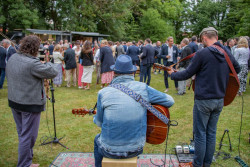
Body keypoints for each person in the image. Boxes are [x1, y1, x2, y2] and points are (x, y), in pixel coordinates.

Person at [168, 27, 240, 167]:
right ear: (216, 36)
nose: (202, 41)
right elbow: (236, 69)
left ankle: (197, 164)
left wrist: (172, 74)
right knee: (211, 133)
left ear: (205, 37)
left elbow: (187, 73)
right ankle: (206, 163)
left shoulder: (203, 53)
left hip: (204, 100)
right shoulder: (226, 52)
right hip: (219, 99)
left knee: (200, 134)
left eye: (202, 39)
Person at [94, 54, 175, 167]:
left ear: (114, 73)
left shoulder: (103, 92)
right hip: (135, 148)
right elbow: (170, 101)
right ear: (132, 72)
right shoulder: (143, 88)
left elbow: (99, 123)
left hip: (109, 149)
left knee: (97, 139)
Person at [6, 35, 58, 167]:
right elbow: (52, 72)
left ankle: (27, 161)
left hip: (14, 101)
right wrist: (47, 61)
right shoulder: (32, 64)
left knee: (23, 134)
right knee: (28, 136)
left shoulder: (13, 58)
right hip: (28, 104)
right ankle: (24, 164)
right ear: (35, 49)